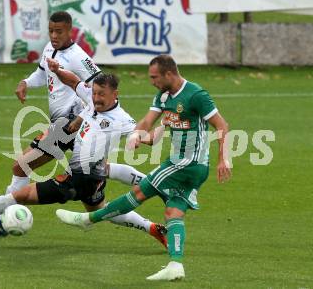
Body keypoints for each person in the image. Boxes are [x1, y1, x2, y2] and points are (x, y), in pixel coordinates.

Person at [56, 55, 232, 281]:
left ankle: (89, 220)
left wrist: (223, 158)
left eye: (154, 77)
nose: (152, 81)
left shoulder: (196, 95)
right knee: (173, 212)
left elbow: (221, 125)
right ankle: (175, 264)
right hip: (187, 165)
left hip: (186, 164)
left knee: (140, 192)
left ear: (169, 74)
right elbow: (147, 121)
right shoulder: (163, 95)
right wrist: (137, 134)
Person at [0, 72, 167, 247]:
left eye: (102, 95)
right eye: (95, 93)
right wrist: (57, 69)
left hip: (78, 179)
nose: (96, 99)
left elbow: (149, 138)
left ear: (115, 94)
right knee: (100, 210)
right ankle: (153, 228)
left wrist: (164, 126)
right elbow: (74, 82)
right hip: (95, 177)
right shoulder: (92, 98)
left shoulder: (122, 120)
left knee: (20, 195)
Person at [0, 11, 147, 234]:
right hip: (66, 124)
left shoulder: (79, 57)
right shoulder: (50, 48)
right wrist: (25, 82)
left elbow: (104, 90)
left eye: (59, 32)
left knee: (22, 165)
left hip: (68, 125)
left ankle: (2, 220)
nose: (54, 35)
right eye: (51, 31)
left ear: (70, 31)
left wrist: (81, 118)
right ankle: (153, 217)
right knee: (96, 202)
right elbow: (41, 73)